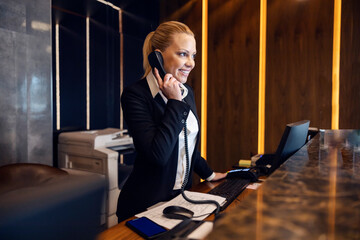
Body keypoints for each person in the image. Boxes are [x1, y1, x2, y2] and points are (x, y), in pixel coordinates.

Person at [116, 21, 227, 222]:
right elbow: (158, 155)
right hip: (143, 205)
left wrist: (210, 174)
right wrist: (174, 102)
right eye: (183, 54)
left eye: (193, 55)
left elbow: (187, 144)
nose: (191, 63)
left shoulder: (186, 92)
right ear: (158, 56)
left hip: (178, 201)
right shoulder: (136, 95)